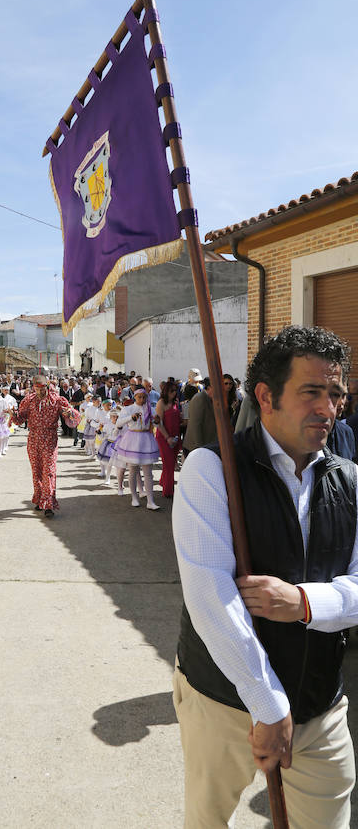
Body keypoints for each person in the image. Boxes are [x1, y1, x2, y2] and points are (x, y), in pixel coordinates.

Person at [172, 325, 358, 828]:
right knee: (208, 820)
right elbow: (211, 596)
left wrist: (303, 602)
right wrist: (267, 703)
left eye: (336, 393)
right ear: (265, 396)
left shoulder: (350, 479)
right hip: (224, 702)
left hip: (320, 707)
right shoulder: (212, 470)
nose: (328, 408)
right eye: (312, 392)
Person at [11, 374, 79, 517]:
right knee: (36, 471)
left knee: (48, 471)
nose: (39, 392)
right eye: (36, 389)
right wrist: (13, 414)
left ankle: (48, 504)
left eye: (42, 389)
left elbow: (73, 419)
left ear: (47, 386)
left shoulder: (57, 400)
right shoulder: (28, 400)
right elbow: (19, 420)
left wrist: (69, 413)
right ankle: (39, 499)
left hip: (49, 439)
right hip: (33, 438)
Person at [113, 388, 160, 510]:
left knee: (148, 473)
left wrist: (157, 421)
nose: (142, 399)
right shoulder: (128, 409)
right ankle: (134, 497)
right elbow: (118, 423)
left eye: (144, 397)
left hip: (146, 439)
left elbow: (156, 423)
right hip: (132, 439)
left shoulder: (150, 408)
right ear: (135, 397)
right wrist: (130, 418)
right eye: (139, 397)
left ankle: (150, 501)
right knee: (133, 470)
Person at [154, 379, 182, 499]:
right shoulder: (161, 403)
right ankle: (168, 491)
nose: (174, 393)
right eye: (171, 391)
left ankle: (163, 482)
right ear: (166, 391)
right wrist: (167, 437)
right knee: (169, 464)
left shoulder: (176, 402)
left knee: (170, 463)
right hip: (165, 437)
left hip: (175, 437)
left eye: (175, 391)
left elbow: (178, 418)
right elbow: (158, 423)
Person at [182, 376, 216, 455]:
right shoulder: (200, 399)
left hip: (205, 445)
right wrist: (200, 449)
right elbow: (195, 425)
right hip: (195, 447)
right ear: (209, 388)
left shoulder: (211, 399)